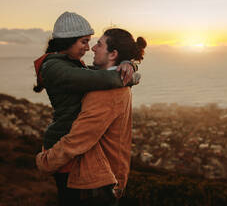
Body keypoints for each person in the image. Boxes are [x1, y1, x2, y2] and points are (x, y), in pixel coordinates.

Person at [36, 28, 146, 205]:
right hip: (104, 178)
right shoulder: (113, 82)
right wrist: (130, 63)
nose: (93, 48)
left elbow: (79, 138)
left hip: (94, 183)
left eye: (99, 44)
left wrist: (46, 161)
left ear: (113, 54)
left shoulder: (105, 93)